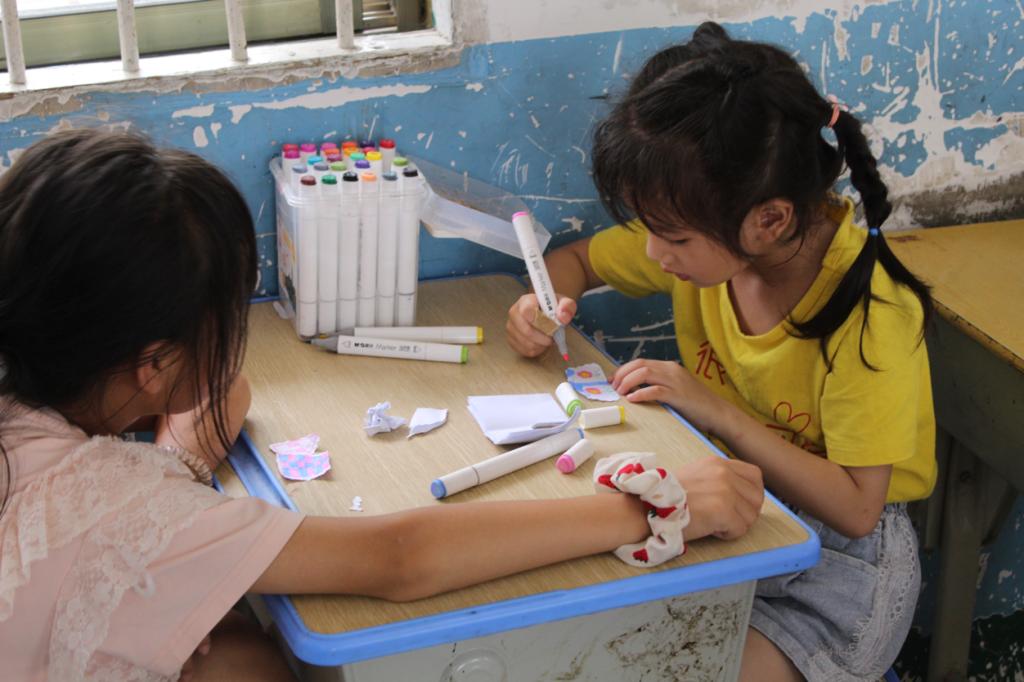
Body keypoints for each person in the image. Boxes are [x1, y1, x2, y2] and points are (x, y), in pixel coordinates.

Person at [0, 128, 764, 681]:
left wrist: (171, 480)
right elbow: (400, 558)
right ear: (152, 365)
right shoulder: (105, 504)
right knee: (257, 657)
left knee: (234, 644)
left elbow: (223, 396)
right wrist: (650, 507)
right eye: (225, 318)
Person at [506, 21, 936, 682]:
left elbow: (857, 508)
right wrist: (543, 304)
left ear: (770, 219)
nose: (654, 252)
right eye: (649, 229)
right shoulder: (705, 231)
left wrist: (715, 410)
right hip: (728, 509)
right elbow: (575, 263)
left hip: (838, 571)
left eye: (673, 238)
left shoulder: (870, 313)